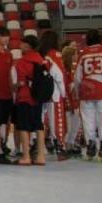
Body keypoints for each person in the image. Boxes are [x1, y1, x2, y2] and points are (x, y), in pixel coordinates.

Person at [73, 29, 102, 160]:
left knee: (88, 119)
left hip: (86, 90)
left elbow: (77, 76)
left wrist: (77, 92)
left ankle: (90, 145)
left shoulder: (83, 54)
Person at [11, 35, 47, 166]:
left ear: (27, 46)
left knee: (24, 127)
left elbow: (20, 82)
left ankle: (26, 156)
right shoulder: (41, 60)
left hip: (25, 96)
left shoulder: (22, 62)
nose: (20, 46)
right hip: (38, 97)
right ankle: (41, 156)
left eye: (22, 44)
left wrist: (14, 87)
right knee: (39, 125)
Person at [38, 30, 69, 160]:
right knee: (57, 120)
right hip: (54, 93)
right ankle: (60, 147)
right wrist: (63, 93)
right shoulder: (55, 55)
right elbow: (59, 75)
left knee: (42, 120)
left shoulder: (40, 54)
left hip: (40, 92)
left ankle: (39, 144)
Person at [0, 26, 15, 162]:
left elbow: (10, 74)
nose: (5, 38)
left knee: (6, 122)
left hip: (7, 93)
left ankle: (2, 145)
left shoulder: (8, 54)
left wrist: (12, 90)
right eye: (2, 35)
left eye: (7, 36)